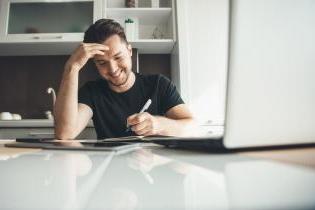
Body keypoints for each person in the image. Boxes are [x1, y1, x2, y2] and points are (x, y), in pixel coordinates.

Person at [54, 19, 194, 139]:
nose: (113, 69)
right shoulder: (92, 92)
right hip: (109, 167)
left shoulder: (159, 84)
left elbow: (192, 126)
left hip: (154, 166)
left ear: (129, 51)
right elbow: (65, 134)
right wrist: (72, 67)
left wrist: (158, 125)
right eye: (102, 63)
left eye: (118, 57)